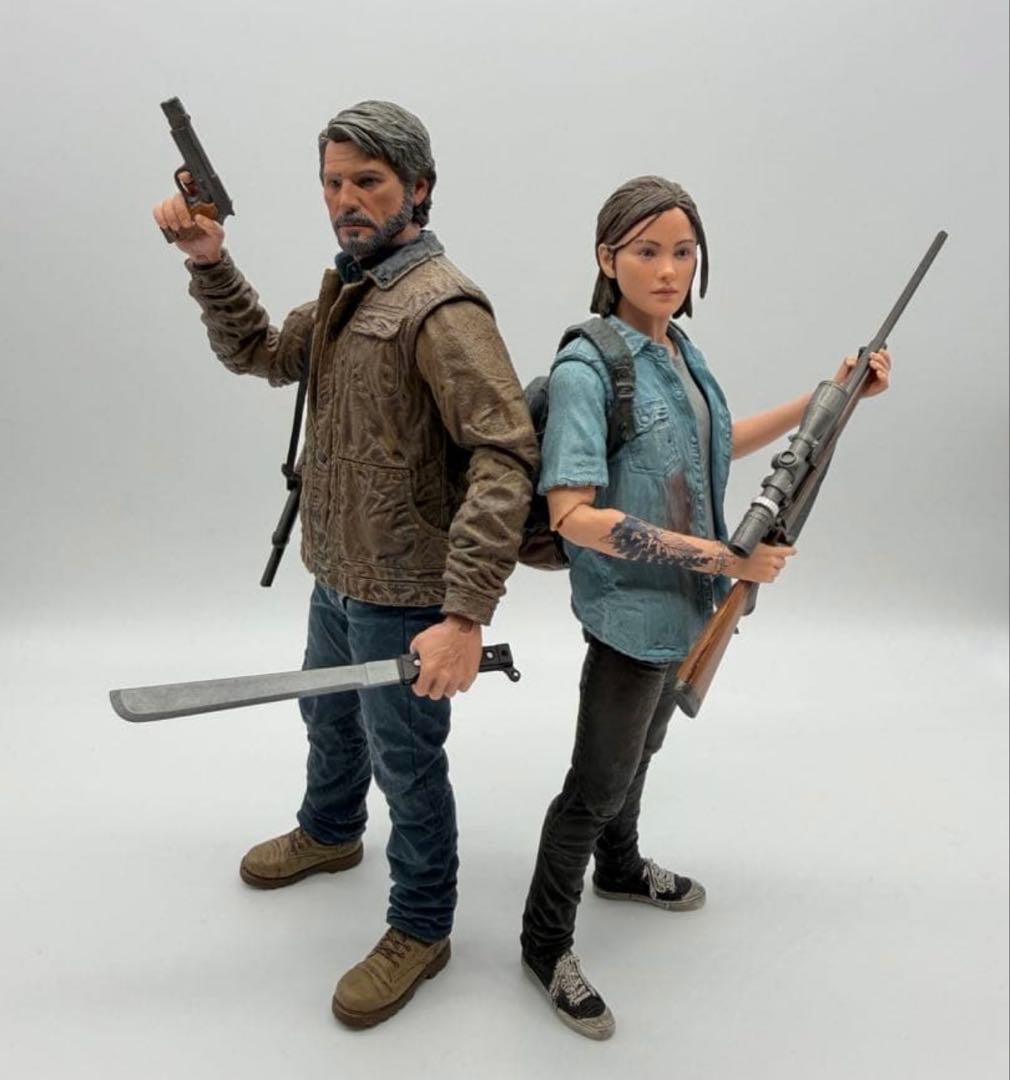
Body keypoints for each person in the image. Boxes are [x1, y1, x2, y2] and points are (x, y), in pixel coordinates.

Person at [152, 101, 538, 1029]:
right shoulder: (348, 290)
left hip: (406, 593)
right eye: (333, 182)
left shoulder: (442, 308)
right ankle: (331, 831)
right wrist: (209, 260)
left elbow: (504, 456)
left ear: (419, 188)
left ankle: (423, 925)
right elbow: (259, 351)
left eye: (368, 181)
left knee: (407, 763)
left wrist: (465, 614)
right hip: (337, 568)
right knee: (327, 716)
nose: (346, 199)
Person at [519, 175, 891, 1040]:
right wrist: (726, 559)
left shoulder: (681, 353)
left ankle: (619, 868)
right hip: (628, 618)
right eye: (646, 251)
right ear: (606, 257)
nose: (667, 269)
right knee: (593, 786)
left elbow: (721, 444)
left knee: (642, 752)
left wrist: (830, 398)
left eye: (683, 252)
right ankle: (544, 944)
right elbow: (574, 516)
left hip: (685, 610)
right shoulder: (588, 369)